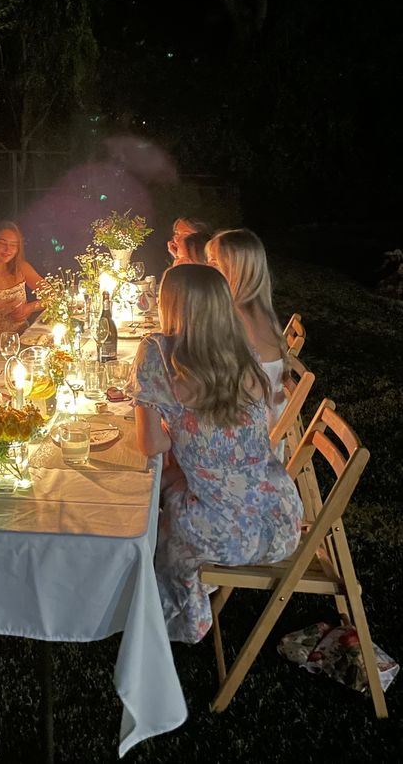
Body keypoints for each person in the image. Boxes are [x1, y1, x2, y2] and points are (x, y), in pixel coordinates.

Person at [127, 263, 303, 644]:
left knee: (159, 512)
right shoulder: (246, 354)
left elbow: (150, 445)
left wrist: (176, 435)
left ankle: (175, 620)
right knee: (175, 486)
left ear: (169, 305)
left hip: (224, 531)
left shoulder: (158, 354)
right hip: (282, 520)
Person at [205, 228, 287, 445]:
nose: (206, 268)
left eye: (214, 263)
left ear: (237, 270)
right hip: (252, 420)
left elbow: (217, 385)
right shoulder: (250, 309)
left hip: (252, 440)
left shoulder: (240, 321)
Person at [0, 221, 44, 352]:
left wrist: (30, 308)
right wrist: (3, 304)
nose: (8, 249)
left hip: (25, 339)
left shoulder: (21, 268)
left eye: (14, 245)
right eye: (2, 243)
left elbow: (55, 297)